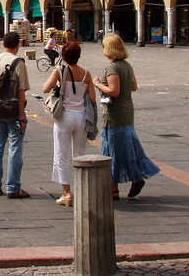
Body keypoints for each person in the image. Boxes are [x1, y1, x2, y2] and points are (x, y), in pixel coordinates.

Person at [93, 33, 160, 199]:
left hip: (115, 115)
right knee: (125, 149)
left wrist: (98, 84)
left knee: (110, 151)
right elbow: (134, 86)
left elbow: (113, 92)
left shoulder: (113, 67)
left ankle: (118, 187)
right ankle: (120, 185)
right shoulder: (127, 65)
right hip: (127, 113)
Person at [41, 40, 96, 207]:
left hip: (64, 116)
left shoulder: (60, 70)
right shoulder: (86, 74)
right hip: (81, 117)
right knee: (80, 153)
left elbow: (45, 88)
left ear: (63, 56)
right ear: (79, 56)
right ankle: (80, 189)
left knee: (61, 153)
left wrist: (58, 85)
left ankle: (67, 193)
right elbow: (92, 98)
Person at [0, 31, 31, 199]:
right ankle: (13, 187)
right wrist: (21, 115)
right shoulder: (18, 63)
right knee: (15, 149)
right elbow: (21, 92)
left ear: (3, 43)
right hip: (13, 111)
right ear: (17, 45)